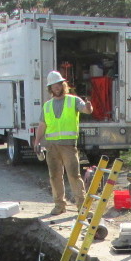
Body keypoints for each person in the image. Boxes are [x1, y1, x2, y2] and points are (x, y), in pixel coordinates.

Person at [33, 70, 93, 215]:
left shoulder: (73, 100)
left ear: (62, 85)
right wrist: (37, 142)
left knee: (73, 175)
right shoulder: (47, 106)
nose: (56, 88)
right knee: (55, 176)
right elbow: (42, 125)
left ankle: (81, 206)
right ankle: (59, 205)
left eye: (58, 85)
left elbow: (86, 110)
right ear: (50, 88)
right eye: (53, 86)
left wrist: (89, 107)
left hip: (68, 146)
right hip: (51, 147)